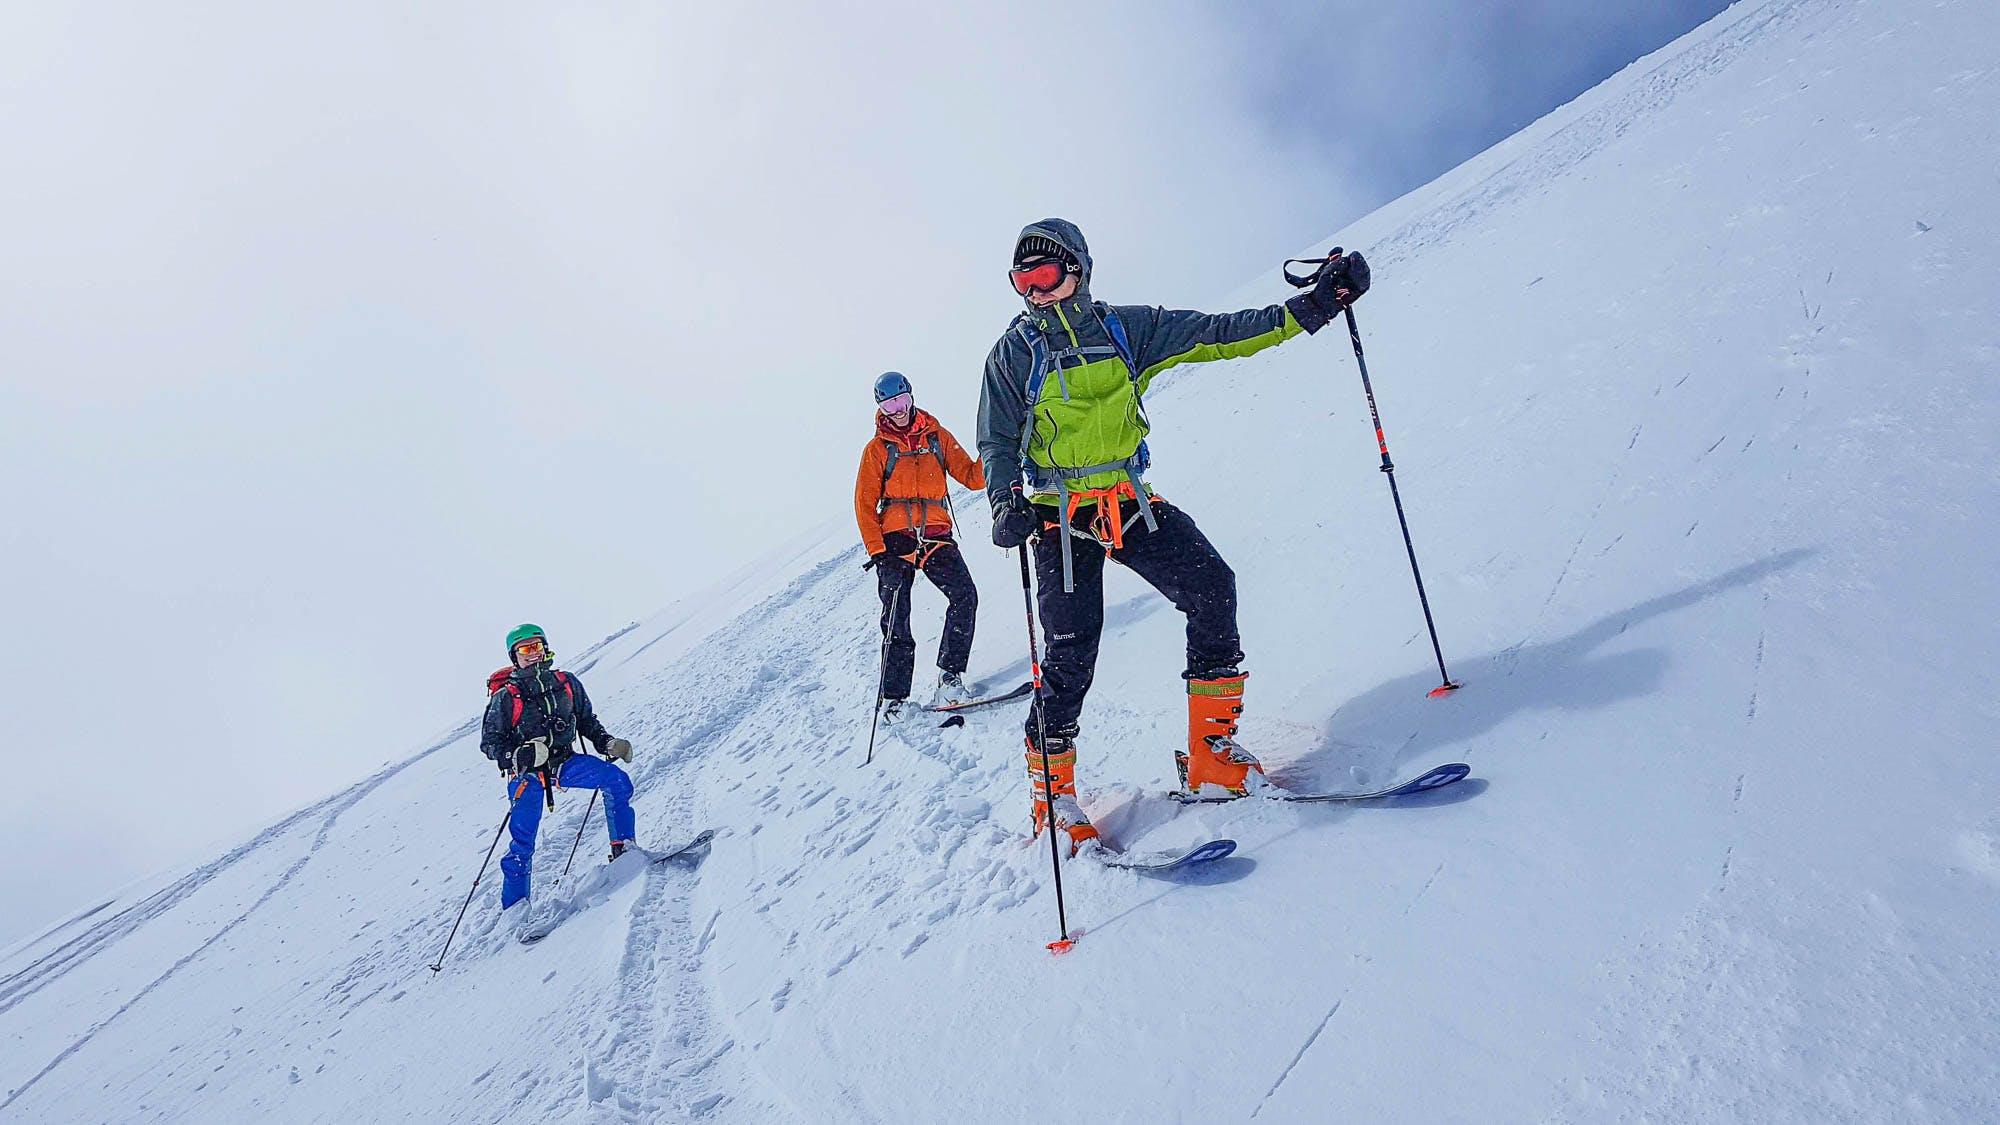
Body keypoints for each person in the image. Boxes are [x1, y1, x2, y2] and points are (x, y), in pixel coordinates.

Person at [975, 218, 1368, 849]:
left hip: (1128, 500)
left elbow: (1219, 333)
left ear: (1077, 270)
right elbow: (996, 439)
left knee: (1212, 588)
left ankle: (1212, 753)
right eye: (1023, 280)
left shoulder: (1127, 329)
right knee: (1071, 649)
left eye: (1045, 274)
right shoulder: (1013, 353)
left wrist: (1313, 308)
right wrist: (1004, 503)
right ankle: (1052, 794)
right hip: (1056, 513)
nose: (1035, 291)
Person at [854, 371, 987, 720]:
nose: (898, 410)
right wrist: (878, 554)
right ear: (880, 408)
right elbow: (864, 504)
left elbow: (971, 477)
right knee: (896, 617)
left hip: (935, 535)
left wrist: (993, 453)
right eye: (889, 405)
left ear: (911, 398)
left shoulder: (937, 438)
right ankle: (894, 698)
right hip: (895, 540)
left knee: (965, 595)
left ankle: (950, 677)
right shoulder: (876, 450)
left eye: (901, 401)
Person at [480, 623, 637, 915]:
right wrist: (520, 755)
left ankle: (625, 851)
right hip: (526, 774)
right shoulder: (506, 697)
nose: (533, 653)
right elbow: (490, 744)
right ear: (515, 656)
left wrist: (607, 743)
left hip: (565, 763)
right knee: (523, 842)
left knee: (616, 781)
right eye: (525, 649)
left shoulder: (567, 683)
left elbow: (587, 722)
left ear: (545, 647)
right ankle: (514, 911)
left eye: (537, 646)